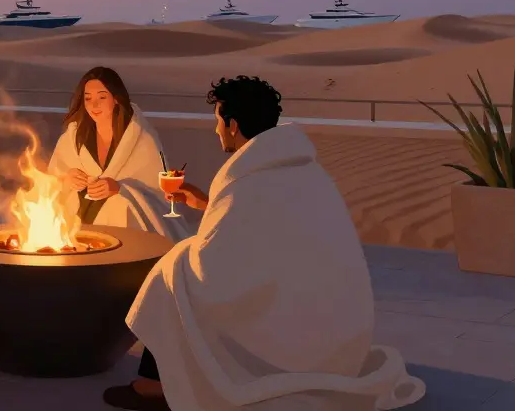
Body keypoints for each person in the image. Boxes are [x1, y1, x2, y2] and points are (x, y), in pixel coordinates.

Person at [103, 76, 426, 411]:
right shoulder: (299, 168)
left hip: (293, 334)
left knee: (173, 270)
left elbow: (216, 266)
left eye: (217, 121)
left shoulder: (248, 180)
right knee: (181, 263)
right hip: (340, 330)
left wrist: (184, 255)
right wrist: (208, 203)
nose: (216, 130)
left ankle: (159, 384)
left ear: (233, 125)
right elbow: (268, 232)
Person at [47, 67, 191, 242]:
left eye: (102, 97)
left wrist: (120, 188)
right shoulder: (73, 137)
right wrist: (67, 180)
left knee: (119, 204)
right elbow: (50, 182)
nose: (94, 105)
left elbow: (158, 193)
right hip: (77, 224)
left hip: (124, 224)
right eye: (88, 98)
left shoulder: (141, 138)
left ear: (115, 98)